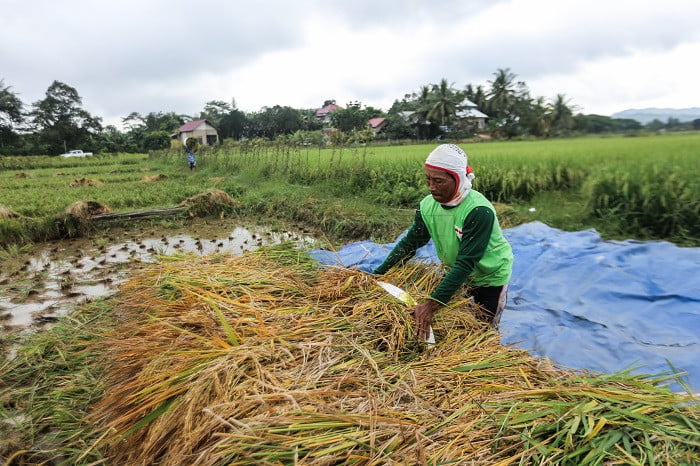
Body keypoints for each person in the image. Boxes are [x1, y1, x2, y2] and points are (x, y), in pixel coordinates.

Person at [373, 144, 513, 338]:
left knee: (483, 332)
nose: (431, 187)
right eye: (428, 179)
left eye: (439, 181)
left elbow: (466, 262)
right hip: (455, 273)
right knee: (452, 325)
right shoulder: (427, 205)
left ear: (457, 179)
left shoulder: (478, 211)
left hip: (489, 277)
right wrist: (378, 274)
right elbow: (411, 242)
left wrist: (431, 304)